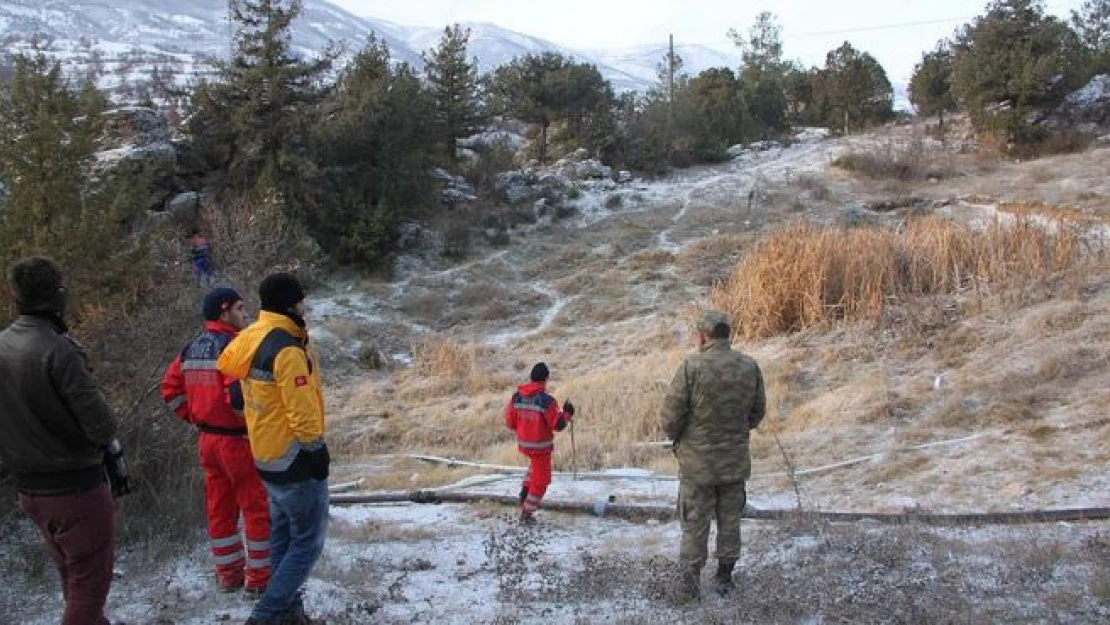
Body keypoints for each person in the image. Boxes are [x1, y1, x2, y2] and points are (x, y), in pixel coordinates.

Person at [0, 257, 127, 625]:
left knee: (73, 581)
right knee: (87, 592)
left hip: (29, 490)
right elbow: (102, 426)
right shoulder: (58, 350)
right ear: (58, 296)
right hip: (75, 489)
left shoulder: (4, 343)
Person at [216, 273, 328, 625]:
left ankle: (288, 613)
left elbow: (233, 384)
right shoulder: (286, 348)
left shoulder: (251, 336)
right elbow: (300, 407)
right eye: (300, 300)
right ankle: (266, 616)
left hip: (264, 455)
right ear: (291, 303)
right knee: (308, 542)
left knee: (280, 535)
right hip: (294, 458)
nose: (303, 306)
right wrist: (316, 449)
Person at [161, 287, 271, 596]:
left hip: (207, 441)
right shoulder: (235, 347)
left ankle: (229, 576)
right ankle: (260, 580)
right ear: (224, 312)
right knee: (255, 508)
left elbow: (169, 391)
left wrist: (194, 417)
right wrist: (254, 425)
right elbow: (237, 397)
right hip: (237, 442)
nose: (245, 313)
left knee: (219, 510)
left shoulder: (190, 349)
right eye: (239, 308)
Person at [660, 310, 765, 600]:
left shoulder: (691, 367)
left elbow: (670, 418)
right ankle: (725, 577)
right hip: (734, 461)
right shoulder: (749, 366)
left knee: (695, 522)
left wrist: (682, 439)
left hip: (698, 464)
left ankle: (689, 584)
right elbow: (757, 413)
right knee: (730, 519)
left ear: (703, 336)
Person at [505, 362, 575, 524]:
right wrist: (567, 414)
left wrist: (526, 428)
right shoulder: (546, 401)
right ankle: (526, 514)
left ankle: (525, 493)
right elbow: (558, 425)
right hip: (541, 448)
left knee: (535, 469)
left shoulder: (516, 397)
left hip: (525, 445)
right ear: (546, 379)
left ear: (531, 378)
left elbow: (510, 423)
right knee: (542, 481)